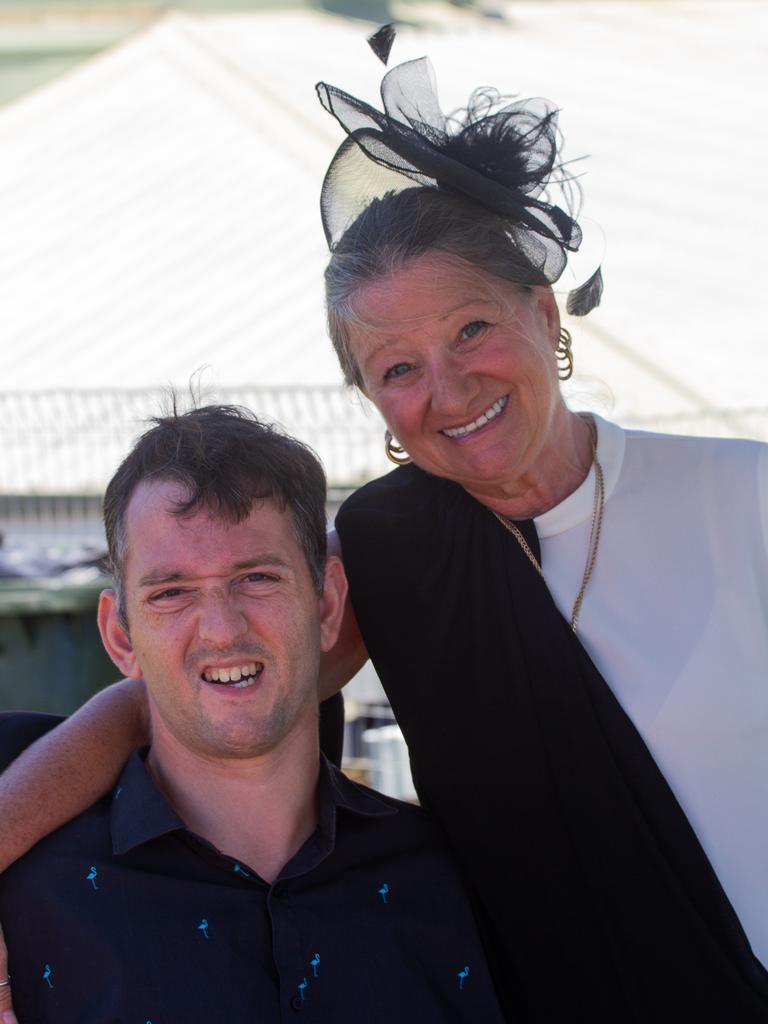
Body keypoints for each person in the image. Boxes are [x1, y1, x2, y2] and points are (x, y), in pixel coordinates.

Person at [1, 35, 768, 1024]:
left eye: (473, 329)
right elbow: (195, 698)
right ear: (369, 397)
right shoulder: (397, 553)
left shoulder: (742, 495)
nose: (447, 389)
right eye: (396, 368)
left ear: (543, 310)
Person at [0, 405, 505, 1024]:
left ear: (326, 604)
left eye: (257, 578)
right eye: (171, 593)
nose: (222, 628)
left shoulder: (462, 883)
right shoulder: (30, 909)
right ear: (120, 635)